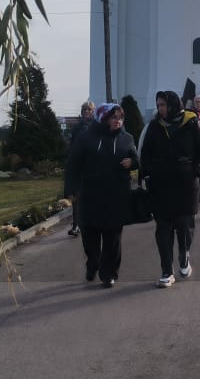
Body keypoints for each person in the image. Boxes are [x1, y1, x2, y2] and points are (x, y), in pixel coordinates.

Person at [63, 103, 139, 288]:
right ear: (103, 118)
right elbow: (73, 164)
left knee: (113, 237)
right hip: (90, 194)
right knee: (90, 234)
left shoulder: (126, 138)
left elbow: (136, 158)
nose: (117, 121)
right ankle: (93, 263)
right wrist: (71, 190)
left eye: (120, 118)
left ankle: (109, 273)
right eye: (113, 117)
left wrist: (133, 162)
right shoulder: (86, 137)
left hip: (116, 194)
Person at [140, 91, 200, 288]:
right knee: (163, 229)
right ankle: (166, 271)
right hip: (161, 186)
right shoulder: (154, 126)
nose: (160, 108)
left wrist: (196, 171)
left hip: (186, 185)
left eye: (163, 105)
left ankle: (184, 254)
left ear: (172, 105)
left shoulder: (191, 122)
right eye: (158, 105)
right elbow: (145, 154)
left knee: (185, 226)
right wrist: (148, 175)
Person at [66, 100, 96, 237]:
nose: (86, 112)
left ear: (93, 111)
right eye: (84, 110)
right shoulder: (77, 128)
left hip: (93, 167)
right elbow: (72, 147)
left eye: (89, 110)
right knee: (76, 197)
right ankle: (76, 225)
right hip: (79, 167)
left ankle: (92, 222)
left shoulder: (97, 127)